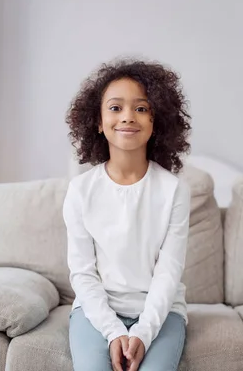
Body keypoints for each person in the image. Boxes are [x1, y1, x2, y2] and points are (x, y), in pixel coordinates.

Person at [64, 58, 192, 371]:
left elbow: (169, 273)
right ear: (97, 121)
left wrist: (144, 333)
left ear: (155, 120)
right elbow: (82, 273)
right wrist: (113, 331)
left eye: (141, 108)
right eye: (115, 107)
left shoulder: (174, 190)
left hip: (161, 312)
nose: (128, 117)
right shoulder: (80, 191)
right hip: (96, 311)